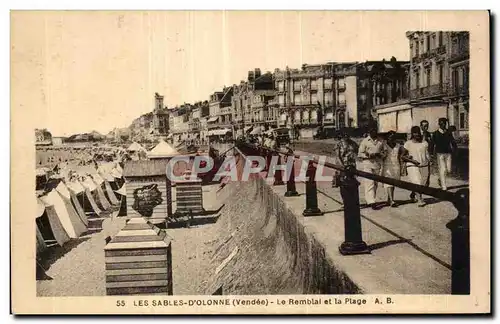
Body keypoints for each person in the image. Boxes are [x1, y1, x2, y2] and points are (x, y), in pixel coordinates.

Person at [358, 127, 386, 209]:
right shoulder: (365, 141)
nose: (373, 132)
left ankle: (370, 199)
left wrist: (381, 155)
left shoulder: (381, 141)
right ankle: (371, 202)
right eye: (371, 131)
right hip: (368, 163)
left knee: (375, 183)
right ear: (369, 132)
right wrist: (368, 155)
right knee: (369, 182)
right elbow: (360, 153)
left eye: (375, 131)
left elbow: (385, 151)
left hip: (377, 164)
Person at [403, 126, 431, 207]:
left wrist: (429, 163)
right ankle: (420, 200)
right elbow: (403, 156)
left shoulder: (424, 143)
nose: (417, 134)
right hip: (412, 165)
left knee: (425, 185)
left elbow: (427, 155)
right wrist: (412, 161)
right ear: (412, 133)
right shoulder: (408, 143)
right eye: (415, 132)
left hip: (424, 165)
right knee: (417, 183)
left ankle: (413, 193)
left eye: (418, 132)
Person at [432, 118, 457, 190]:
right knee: (443, 169)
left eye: (444, 123)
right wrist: (431, 153)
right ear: (439, 124)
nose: (442, 125)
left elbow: (453, 142)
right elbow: (432, 144)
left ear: (445, 124)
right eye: (441, 123)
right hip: (439, 154)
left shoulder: (448, 133)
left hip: (448, 153)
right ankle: (443, 186)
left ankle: (440, 178)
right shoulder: (435, 133)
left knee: (448, 169)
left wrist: (455, 150)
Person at [382, 131, 405, 207]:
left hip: (396, 166)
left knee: (393, 183)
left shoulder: (398, 146)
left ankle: (389, 199)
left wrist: (402, 166)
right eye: (389, 137)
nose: (391, 138)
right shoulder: (384, 145)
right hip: (387, 166)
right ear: (387, 138)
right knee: (388, 183)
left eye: (393, 137)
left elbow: (403, 154)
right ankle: (392, 201)